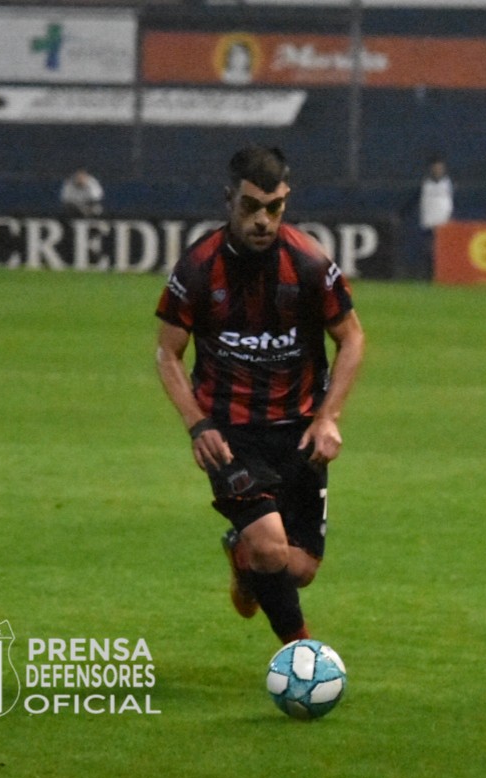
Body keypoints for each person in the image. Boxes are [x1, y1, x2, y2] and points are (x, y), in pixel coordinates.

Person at [155, 144, 365, 646]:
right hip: (230, 435)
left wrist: (328, 417)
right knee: (271, 549)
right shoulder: (197, 268)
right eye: (251, 207)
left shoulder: (310, 263)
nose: (262, 221)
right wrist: (197, 425)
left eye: (274, 208)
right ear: (229, 199)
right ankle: (302, 658)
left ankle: (242, 554)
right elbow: (168, 353)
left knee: (299, 568)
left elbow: (352, 338)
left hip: (298, 431)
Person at [418, 153, 453, 279]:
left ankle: (443, 274)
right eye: (436, 167)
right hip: (429, 222)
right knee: (429, 250)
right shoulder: (426, 184)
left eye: (440, 167)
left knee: (443, 251)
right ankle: (428, 274)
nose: (438, 170)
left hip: (443, 223)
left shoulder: (447, 183)